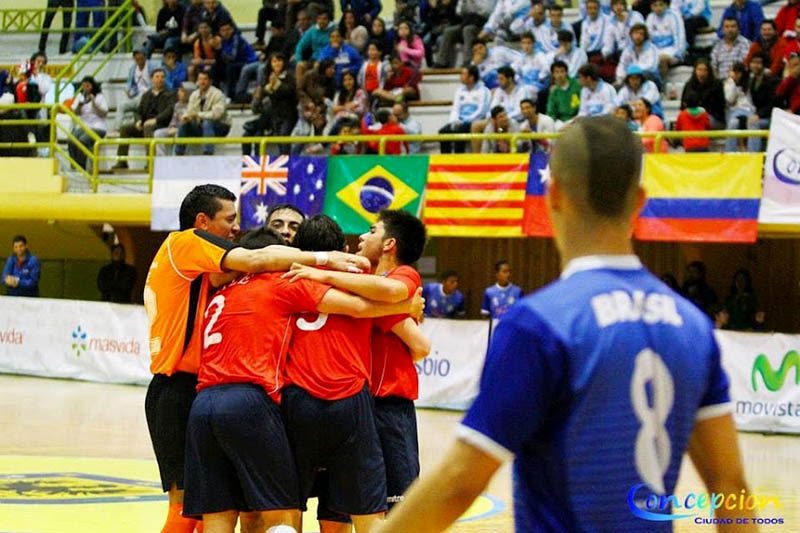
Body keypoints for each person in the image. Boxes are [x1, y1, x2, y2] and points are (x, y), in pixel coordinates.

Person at [377, 115, 752, 533]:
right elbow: (729, 486)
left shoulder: (538, 325)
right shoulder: (692, 325)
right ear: (640, 201)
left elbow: (457, 484)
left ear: (553, 194)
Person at [143, 184, 369, 533]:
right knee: (200, 510)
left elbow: (242, 266)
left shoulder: (219, 281)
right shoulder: (187, 243)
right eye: (229, 220)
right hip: (192, 388)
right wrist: (327, 259)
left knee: (218, 509)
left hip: (204, 393)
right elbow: (255, 259)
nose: (235, 229)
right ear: (202, 222)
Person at [184, 226, 422, 533]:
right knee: (294, 512)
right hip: (305, 398)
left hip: (210, 402)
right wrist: (407, 306)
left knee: (229, 512)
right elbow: (365, 309)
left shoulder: (220, 291)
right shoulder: (291, 282)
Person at [284, 210, 430, 511]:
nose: (362, 236)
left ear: (389, 244)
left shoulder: (400, 276)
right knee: (361, 502)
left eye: (371, 230)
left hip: (389, 404)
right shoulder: (361, 281)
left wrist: (320, 272)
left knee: (398, 503)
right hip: (360, 402)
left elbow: (421, 346)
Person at [114, 68, 175, 170]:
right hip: (145, 123)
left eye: (162, 77)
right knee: (125, 129)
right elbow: (139, 111)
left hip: (160, 124)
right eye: (157, 77)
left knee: (148, 127)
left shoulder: (169, 94)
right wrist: (138, 121)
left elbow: (169, 111)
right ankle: (122, 161)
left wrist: (155, 120)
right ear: (152, 79)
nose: (160, 79)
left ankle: (150, 162)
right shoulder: (146, 95)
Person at [175, 70, 231, 155]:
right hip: (201, 125)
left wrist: (198, 114)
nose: (202, 82)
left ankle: (208, 153)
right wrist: (186, 117)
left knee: (207, 122)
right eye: (200, 79)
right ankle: (179, 153)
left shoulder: (218, 94)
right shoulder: (194, 94)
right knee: (184, 125)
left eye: (205, 79)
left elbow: (216, 115)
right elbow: (190, 111)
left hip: (220, 126)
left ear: (210, 81)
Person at [438, 65, 490, 154]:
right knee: (443, 132)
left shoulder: (483, 91)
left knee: (459, 132)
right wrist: (454, 121)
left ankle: (459, 160)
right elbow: (455, 108)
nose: (460, 77)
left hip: (474, 121)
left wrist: (465, 121)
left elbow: (481, 111)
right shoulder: (460, 90)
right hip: (459, 121)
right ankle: (445, 161)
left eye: (463, 74)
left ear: (471, 77)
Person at [69, 75, 108, 171]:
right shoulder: (80, 97)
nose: (85, 88)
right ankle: (74, 166)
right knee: (71, 139)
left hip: (98, 127)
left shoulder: (100, 97)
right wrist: (79, 105)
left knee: (83, 140)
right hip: (84, 126)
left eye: (88, 86)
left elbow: (104, 113)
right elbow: (75, 113)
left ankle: (81, 167)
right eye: (83, 86)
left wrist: (94, 103)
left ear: (92, 86)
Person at [711, 17, 752, 81]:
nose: (730, 29)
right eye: (727, 27)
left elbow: (744, 65)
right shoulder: (717, 45)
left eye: (733, 26)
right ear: (722, 29)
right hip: (720, 83)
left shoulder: (745, 44)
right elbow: (713, 66)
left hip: (740, 83)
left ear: (738, 28)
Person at [546, 60, 581, 128]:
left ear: (566, 73)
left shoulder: (577, 85)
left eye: (562, 71)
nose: (560, 75)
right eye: (557, 72)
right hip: (561, 121)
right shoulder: (554, 90)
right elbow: (551, 111)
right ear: (553, 74)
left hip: (577, 118)